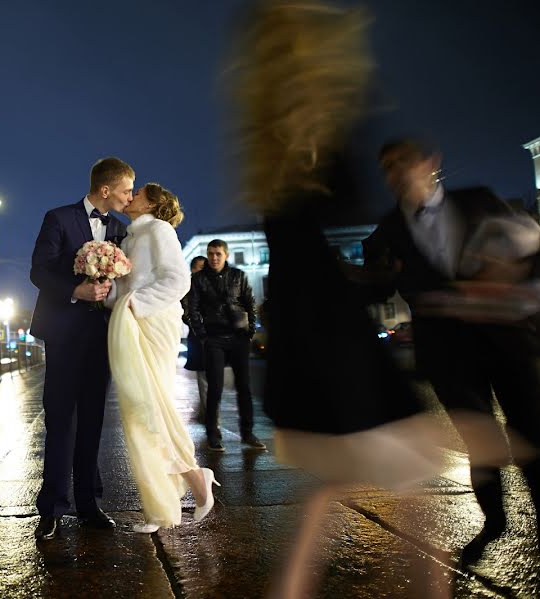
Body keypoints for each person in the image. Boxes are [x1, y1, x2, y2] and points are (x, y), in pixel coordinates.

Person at [233, 3, 446, 596]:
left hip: (306, 317)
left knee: (343, 475)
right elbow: (345, 198)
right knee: (403, 460)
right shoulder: (315, 132)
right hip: (330, 324)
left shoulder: (264, 142)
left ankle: (294, 588)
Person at [365, 138, 540, 563]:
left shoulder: (478, 199)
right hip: (447, 350)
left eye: (402, 162)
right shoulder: (388, 228)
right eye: (387, 167)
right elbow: (379, 284)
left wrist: (513, 269)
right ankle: (494, 521)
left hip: (506, 338)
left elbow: (529, 241)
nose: (395, 174)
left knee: (531, 428)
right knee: (477, 435)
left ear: (429, 163)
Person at [107, 183, 220, 533]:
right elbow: (121, 294)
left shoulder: (159, 230)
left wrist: (136, 304)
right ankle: (163, 501)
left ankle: (191, 480)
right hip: (131, 324)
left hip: (154, 323)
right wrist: (107, 286)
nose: (131, 196)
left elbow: (178, 281)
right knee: (140, 411)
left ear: (152, 203)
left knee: (151, 407)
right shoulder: (128, 240)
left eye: (137, 193)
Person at [29, 157, 132, 541]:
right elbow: (38, 270)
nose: (130, 196)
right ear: (105, 189)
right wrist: (75, 290)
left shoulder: (120, 229)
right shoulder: (58, 218)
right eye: (126, 189)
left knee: (93, 421)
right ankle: (52, 508)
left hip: (100, 336)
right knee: (60, 420)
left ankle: (90, 504)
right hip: (62, 332)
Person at [187, 239, 264, 451]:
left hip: (238, 336)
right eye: (210, 253)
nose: (214, 257)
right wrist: (203, 336)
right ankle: (213, 434)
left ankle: (247, 433)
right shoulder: (198, 279)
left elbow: (250, 302)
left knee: (244, 387)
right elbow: (192, 310)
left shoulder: (238, 276)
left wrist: (250, 332)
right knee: (215, 387)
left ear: (226, 255)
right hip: (214, 338)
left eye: (218, 254)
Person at [181, 256, 208, 423]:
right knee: (203, 376)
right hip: (198, 336)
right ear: (192, 269)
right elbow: (185, 311)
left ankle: (209, 410)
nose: (202, 270)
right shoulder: (188, 287)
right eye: (198, 267)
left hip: (215, 336)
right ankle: (208, 412)